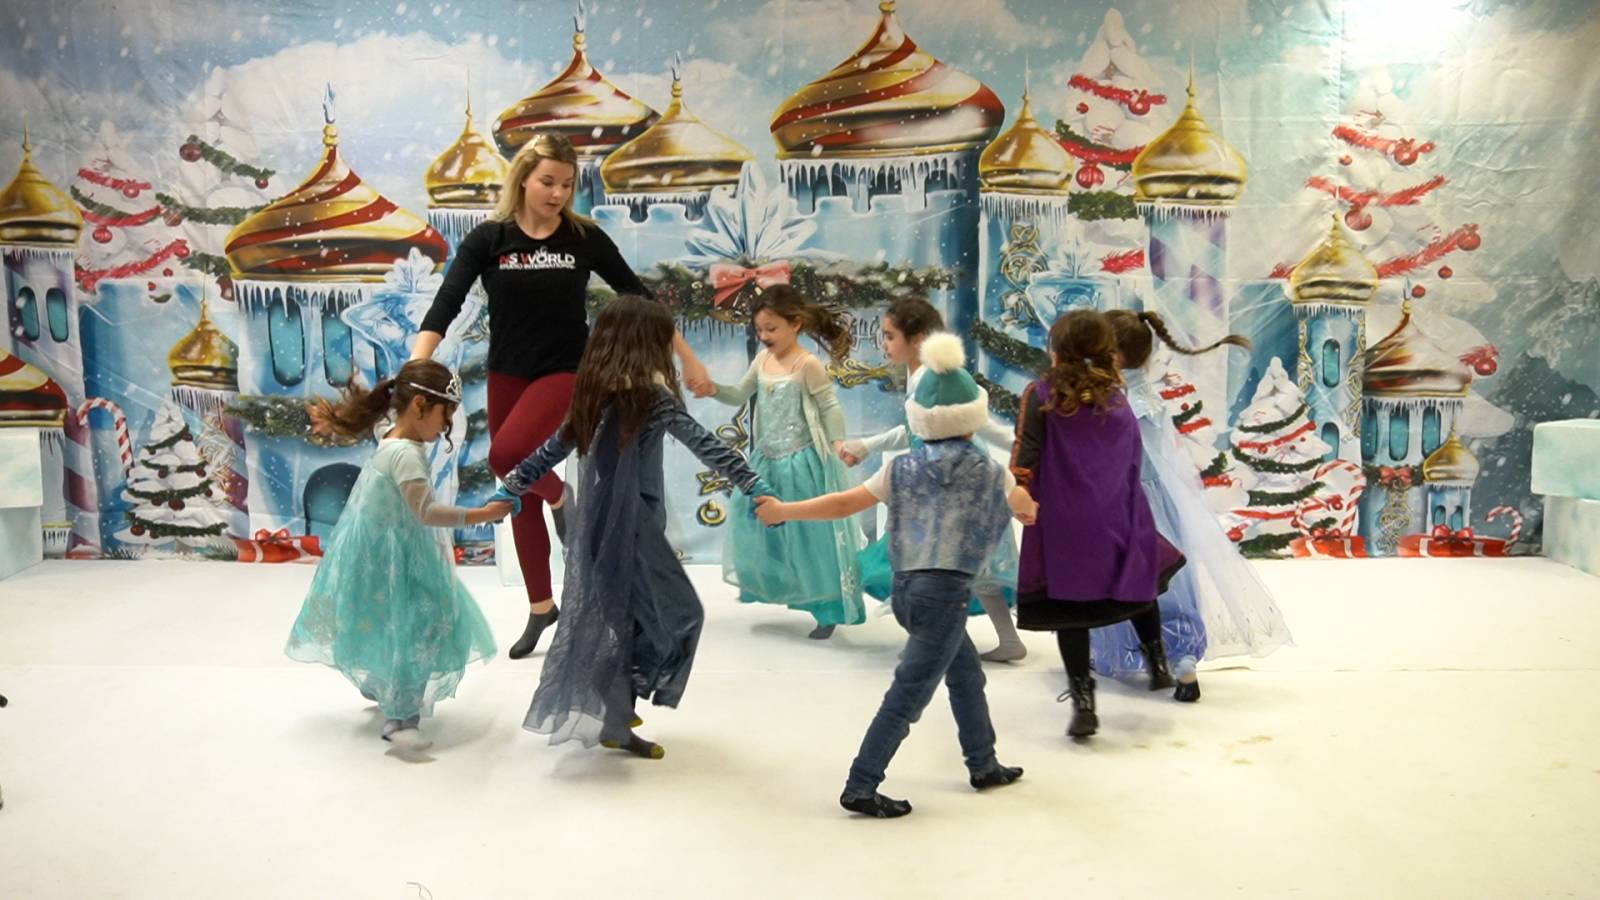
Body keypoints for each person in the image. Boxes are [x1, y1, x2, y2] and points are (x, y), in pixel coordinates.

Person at [408, 131, 713, 661]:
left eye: (567, 184)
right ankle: (541, 606)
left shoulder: (583, 237)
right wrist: (419, 362)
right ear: (523, 179)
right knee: (515, 490)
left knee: (509, 457)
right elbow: (447, 302)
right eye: (548, 182)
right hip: (507, 374)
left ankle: (560, 497)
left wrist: (687, 357)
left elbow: (638, 297)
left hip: (567, 371)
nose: (557, 193)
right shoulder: (490, 239)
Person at [758, 333, 1035, 818]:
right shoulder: (991, 473)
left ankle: (983, 762)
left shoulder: (902, 467)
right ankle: (861, 784)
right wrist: (1027, 506)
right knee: (908, 695)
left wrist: (786, 510)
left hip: (905, 590)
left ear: (919, 418)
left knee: (966, 675)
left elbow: (843, 504)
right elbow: (1023, 506)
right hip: (945, 597)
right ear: (973, 417)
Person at [500, 296, 774, 759]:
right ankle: (620, 696)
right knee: (681, 613)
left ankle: (617, 720)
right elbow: (705, 444)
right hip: (632, 527)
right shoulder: (648, 398)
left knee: (625, 620)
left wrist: (511, 485)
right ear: (644, 346)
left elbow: (550, 451)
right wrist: (752, 482)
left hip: (600, 524)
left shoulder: (597, 395)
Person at [287, 360, 508, 751]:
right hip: (397, 556)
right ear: (419, 405)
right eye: (445, 415)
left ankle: (388, 688)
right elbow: (426, 512)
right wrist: (484, 514)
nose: (446, 427)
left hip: (376, 551)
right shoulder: (405, 453)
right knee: (418, 625)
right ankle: (401, 717)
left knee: (390, 622)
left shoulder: (390, 433)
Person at [1097, 311, 1292, 700]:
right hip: (1161, 499)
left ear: (1112, 356)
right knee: (1171, 584)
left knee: (1127, 581)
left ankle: (1126, 650)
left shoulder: (1115, 402)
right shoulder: (1148, 396)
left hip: (1127, 503)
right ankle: (1183, 658)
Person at [1011, 310, 1185, 739]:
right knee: (1136, 579)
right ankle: (1157, 660)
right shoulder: (1116, 397)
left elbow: (1026, 450)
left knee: (1070, 610)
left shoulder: (1043, 394)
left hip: (1062, 521)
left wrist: (1020, 489)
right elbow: (1131, 458)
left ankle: (1083, 700)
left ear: (1056, 350)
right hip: (1115, 512)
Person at [841, 297, 1026, 661]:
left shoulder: (934, 377)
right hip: (941, 479)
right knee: (964, 565)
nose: (883, 344)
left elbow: (978, 424)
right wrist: (867, 445)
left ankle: (935, 640)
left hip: (951, 481)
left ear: (918, 338)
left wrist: (1023, 448)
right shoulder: (920, 375)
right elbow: (914, 429)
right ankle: (995, 639)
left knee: (933, 564)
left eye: (890, 336)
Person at [709, 286, 864, 639]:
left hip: (801, 462)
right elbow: (739, 393)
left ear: (795, 324)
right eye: (759, 329)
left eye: (771, 328)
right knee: (755, 518)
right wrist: (712, 388)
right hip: (767, 459)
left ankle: (826, 607)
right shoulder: (762, 361)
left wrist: (839, 442)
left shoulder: (807, 364)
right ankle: (782, 587)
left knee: (811, 536)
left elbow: (829, 406)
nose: (764, 336)